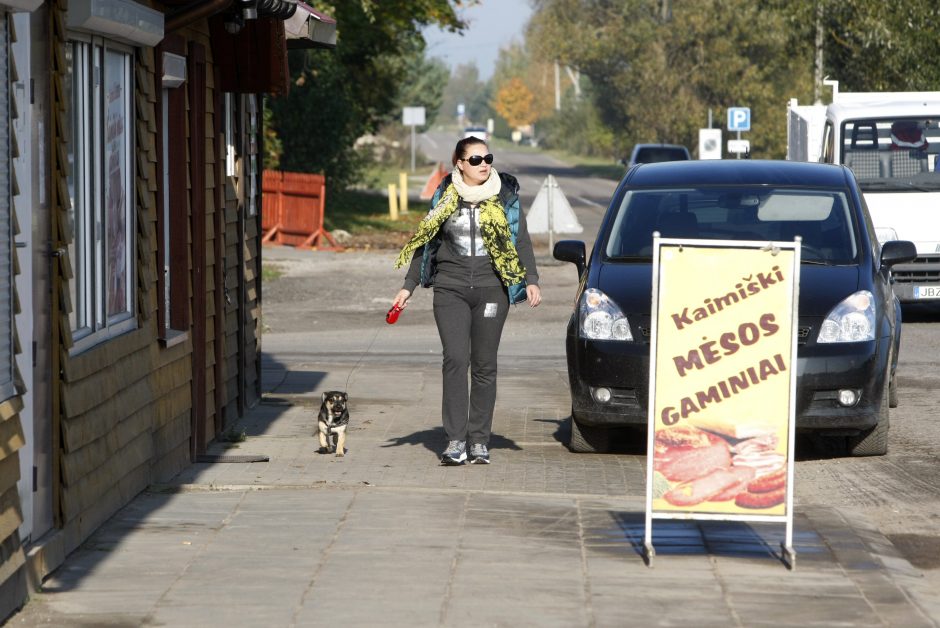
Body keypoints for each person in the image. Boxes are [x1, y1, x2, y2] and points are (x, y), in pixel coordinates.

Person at [392, 137, 541, 465]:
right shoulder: (445, 197)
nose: (484, 164)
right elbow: (425, 241)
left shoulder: (505, 196)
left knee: (485, 364)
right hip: (451, 290)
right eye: (475, 160)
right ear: (459, 163)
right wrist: (408, 286)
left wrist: (531, 280)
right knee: (456, 360)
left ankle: (479, 441)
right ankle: (456, 440)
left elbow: (521, 241)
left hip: (492, 290)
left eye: (487, 158)